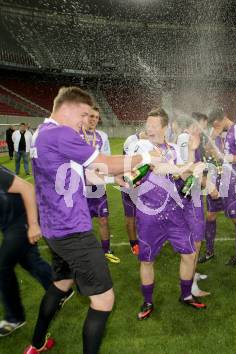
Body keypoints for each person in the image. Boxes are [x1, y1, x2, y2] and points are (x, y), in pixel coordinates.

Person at [25, 86, 154, 354]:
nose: (85, 122)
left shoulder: (41, 133)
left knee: (61, 284)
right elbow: (105, 161)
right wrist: (146, 156)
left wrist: (109, 178)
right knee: (104, 300)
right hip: (72, 230)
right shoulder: (61, 132)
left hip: (54, 228)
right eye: (83, 115)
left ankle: (36, 344)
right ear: (69, 108)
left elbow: (71, 174)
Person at [129, 108, 206, 321]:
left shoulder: (172, 148)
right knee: (147, 260)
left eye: (154, 125)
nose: (149, 128)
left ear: (164, 127)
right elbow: (160, 168)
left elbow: (182, 173)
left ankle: (186, 295)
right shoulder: (142, 147)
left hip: (174, 212)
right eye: (148, 124)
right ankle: (148, 301)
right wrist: (187, 166)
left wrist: (193, 156)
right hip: (148, 215)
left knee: (190, 254)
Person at [0, 166, 54, 336]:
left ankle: (14, 317)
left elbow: (28, 188)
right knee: (29, 261)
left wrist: (33, 225)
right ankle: (60, 289)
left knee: (2, 267)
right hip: (9, 223)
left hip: (21, 219)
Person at [199, 107, 236, 266]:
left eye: (217, 125)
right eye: (213, 125)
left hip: (231, 181)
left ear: (224, 118)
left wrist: (222, 156)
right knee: (210, 215)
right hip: (214, 179)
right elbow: (207, 150)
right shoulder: (216, 132)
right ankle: (209, 251)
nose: (215, 128)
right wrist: (213, 135)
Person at [80, 106, 120, 264]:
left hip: (98, 187)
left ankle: (106, 251)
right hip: (80, 187)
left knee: (103, 219)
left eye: (96, 117)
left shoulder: (102, 136)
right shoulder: (76, 135)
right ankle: (84, 254)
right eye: (90, 116)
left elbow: (107, 160)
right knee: (83, 223)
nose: (93, 120)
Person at [177, 115, 210, 297]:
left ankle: (192, 275)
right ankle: (190, 288)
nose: (203, 130)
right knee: (195, 242)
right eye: (202, 126)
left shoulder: (192, 140)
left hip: (194, 195)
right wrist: (208, 184)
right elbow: (184, 171)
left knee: (196, 239)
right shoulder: (185, 139)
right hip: (189, 198)